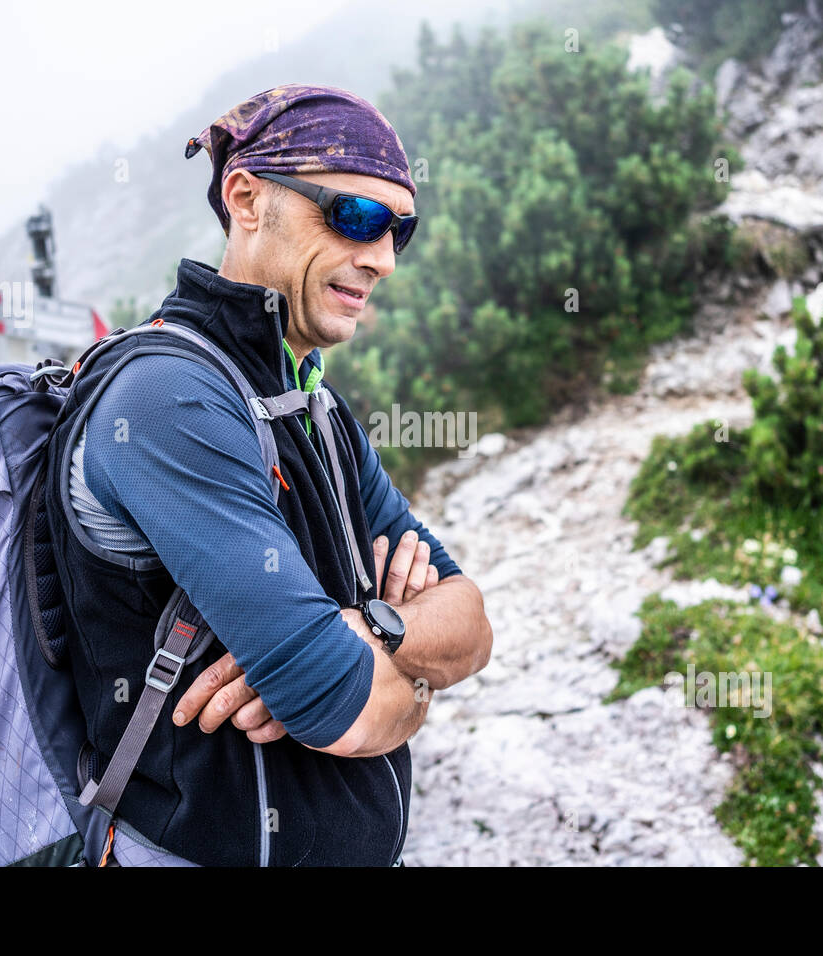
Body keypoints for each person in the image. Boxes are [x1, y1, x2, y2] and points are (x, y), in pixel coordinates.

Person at [46, 84, 493, 866]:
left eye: (401, 231)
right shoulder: (166, 400)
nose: (383, 258)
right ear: (246, 199)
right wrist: (397, 674)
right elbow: (341, 706)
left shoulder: (313, 407)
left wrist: (372, 632)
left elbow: (472, 626)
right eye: (355, 217)